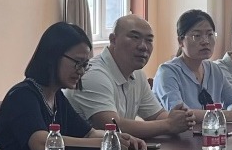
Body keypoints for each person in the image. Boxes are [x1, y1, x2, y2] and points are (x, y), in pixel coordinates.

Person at [0, 22, 145, 150]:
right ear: (53, 56)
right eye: (78, 63)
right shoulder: (22, 96)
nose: (81, 71)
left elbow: (88, 133)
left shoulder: (57, 97)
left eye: (85, 65)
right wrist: (102, 143)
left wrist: (118, 138)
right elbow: (40, 143)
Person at [65, 15, 193, 139]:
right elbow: (112, 126)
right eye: (135, 37)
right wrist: (169, 124)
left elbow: (157, 115)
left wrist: (180, 118)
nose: (143, 46)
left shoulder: (137, 74)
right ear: (113, 39)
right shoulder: (93, 74)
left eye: (149, 40)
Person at [152, 10, 232, 123]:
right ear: (181, 41)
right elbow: (180, 114)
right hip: (179, 134)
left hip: (213, 132)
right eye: (197, 36)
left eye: (210, 35)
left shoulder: (214, 69)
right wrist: (228, 115)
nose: (205, 41)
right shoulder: (167, 72)